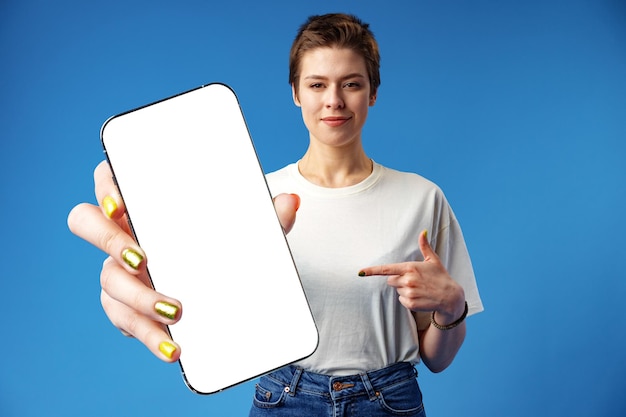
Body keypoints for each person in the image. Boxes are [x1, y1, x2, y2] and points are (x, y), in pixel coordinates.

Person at [68, 13, 483, 417]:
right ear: (296, 93)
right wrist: (156, 285)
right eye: (317, 84)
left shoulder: (422, 198)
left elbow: (437, 360)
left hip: (390, 399)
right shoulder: (253, 196)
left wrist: (452, 306)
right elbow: (210, 303)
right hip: (287, 398)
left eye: (351, 84)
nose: (334, 100)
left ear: (372, 92)